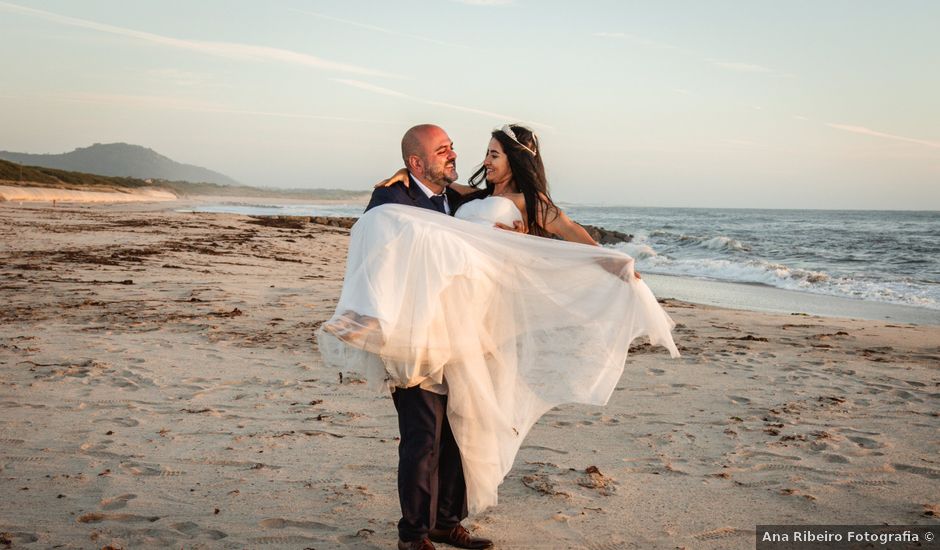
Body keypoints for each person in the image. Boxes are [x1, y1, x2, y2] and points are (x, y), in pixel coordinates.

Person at [317, 123, 679, 550]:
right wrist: (363, 313)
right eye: (476, 152)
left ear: (515, 160)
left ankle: (445, 522)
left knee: (463, 429)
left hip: (475, 330)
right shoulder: (430, 197)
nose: (474, 159)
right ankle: (413, 535)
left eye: (492, 154)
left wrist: (611, 262)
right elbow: (385, 236)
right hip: (420, 332)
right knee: (423, 435)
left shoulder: (504, 201)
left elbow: (564, 235)